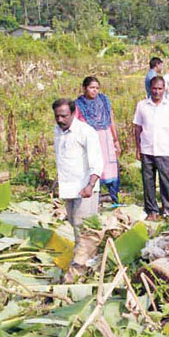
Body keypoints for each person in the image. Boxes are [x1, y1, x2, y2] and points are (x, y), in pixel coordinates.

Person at [52, 98, 103, 256]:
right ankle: (81, 257)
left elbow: (97, 161)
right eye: (57, 116)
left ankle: (86, 262)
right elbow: (63, 157)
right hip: (68, 186)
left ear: (73, 113)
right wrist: (57, 181)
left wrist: (91, 185)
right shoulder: (57, 130)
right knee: (74, 223)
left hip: (85, 187)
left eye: (64, 116)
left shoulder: (86, 132)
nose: (60, 119)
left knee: (84, 227)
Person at [133, 76, 169, 220]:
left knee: (167, 181)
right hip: (147, 150)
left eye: (160, 88)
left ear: (164, 89)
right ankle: (151, 210)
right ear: (150, 88)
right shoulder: (142, 105)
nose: (157, 91)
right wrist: (138, 148)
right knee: (148, 182)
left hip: (165, 150)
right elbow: (137, 127)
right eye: (154, 88)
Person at [75, 76, 121, 205]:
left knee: (110, 166)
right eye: (91, 88)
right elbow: (77, 125)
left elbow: (111, 119)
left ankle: (114, 197)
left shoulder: (104, 100)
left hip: (106, 138)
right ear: (84, 88)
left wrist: (116, 140)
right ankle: (94, 195)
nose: (94, 91)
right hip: (90, 139)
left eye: (96, 88)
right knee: (93, 165)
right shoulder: (79, 104)